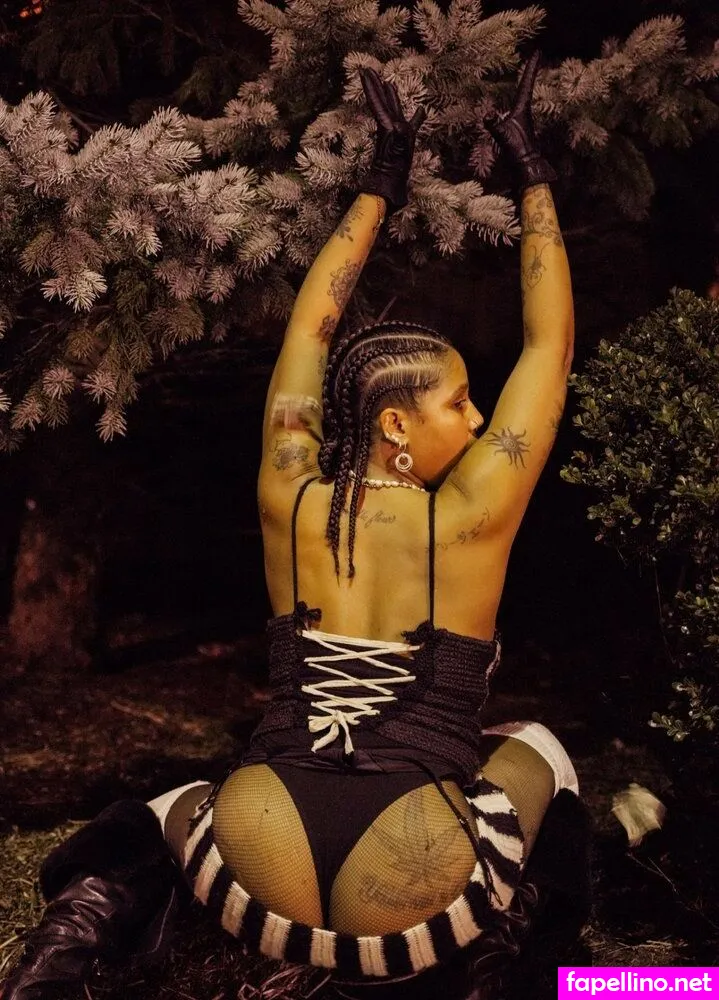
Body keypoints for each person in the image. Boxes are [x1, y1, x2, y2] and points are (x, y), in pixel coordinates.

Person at [2, 55, 589, 1000]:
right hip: (412, 872)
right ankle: (503, 974)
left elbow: (308, 334)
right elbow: (548, 347)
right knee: (543, 753)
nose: (477, 419)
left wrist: (378, 184)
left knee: (158, 812)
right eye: (458, 403)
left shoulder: (290, 492)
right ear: (397, 425)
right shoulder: (471, 516)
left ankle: (52, 968)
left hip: (256, 850)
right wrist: (531, 172)